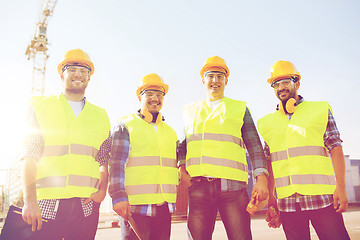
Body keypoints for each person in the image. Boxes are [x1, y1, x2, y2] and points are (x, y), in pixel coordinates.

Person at [21, 49, 111, 240]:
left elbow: (103, 159)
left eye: (84, 70)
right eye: (72, 69)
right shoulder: (41, 105)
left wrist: (102, 190)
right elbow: (29, 155)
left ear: (89, 78)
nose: (78, 74)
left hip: (85, 206)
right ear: (62, 75)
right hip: (47, 203)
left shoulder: (100, 115)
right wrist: (29, 201)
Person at [178, 56, 269, 240]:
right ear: (203, 80)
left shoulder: (239, 109)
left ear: (226, 81)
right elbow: (182, 145)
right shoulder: (190, 110)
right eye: (210, 76)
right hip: (199, 186)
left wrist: (261, 180)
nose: (215, 81)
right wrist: (181, 167)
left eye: (220, 76)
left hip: (233, 188)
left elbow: (255, 146)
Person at [257, 60, 350, 240]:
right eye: (276, 84)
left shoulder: (320, 110)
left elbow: (336, 147)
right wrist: (271, 199)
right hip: (288, 203)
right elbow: (270, 162)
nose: (281, 87)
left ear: (297, 83)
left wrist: (341, 187)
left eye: (286, 82)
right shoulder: (266, 123)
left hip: (323, 199)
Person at [108, 73, 178, 240]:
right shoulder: (126, 125)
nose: (155, 98)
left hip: (163, 207)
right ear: (140, 96)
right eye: (150, 94)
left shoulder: (170, 132)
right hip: (135, 208)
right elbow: (116, 163)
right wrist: (118, 196)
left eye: (160, 95)